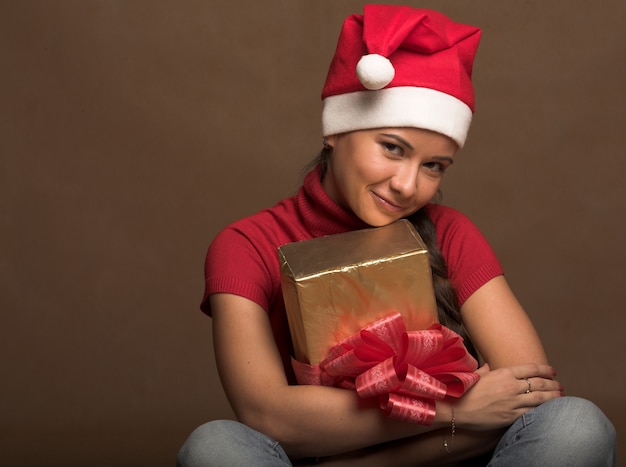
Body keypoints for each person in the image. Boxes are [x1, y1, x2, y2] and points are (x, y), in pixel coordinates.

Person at [178, 5, 616, 466]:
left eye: (433, 166)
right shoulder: (247, 245)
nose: (408, 185)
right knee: (216, 446)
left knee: (575, 425)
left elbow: (527, 395)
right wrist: (453, 409)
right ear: (335, 132)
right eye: (392, 148)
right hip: (430, 437)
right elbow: (267, 414)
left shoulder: (450, 232)